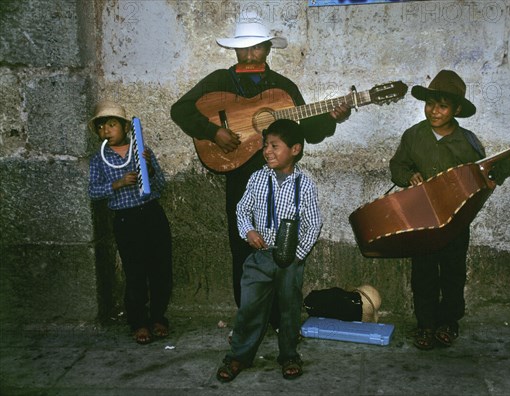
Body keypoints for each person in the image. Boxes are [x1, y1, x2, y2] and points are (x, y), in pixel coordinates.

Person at [170, 12, 350, 332]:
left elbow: (308, 129)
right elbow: (180, 110)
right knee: (243, 245)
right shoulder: (219, 82)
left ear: (268, 49)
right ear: (235, 51)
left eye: (258, 48)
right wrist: (214, 133)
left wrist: (332, 117)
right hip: (241, 178)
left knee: (282, 245)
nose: (252, 54)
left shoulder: (282, 88)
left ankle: (280, 318)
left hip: (280, 180)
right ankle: (250, 317)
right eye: (245, 48)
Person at [389, 70, 510, 350]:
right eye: (430, 104)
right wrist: (409, 175)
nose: (434, 111)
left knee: (453, 272)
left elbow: (488, 177)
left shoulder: (468, 142)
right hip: (422, 218)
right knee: (423, 273)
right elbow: (397, 166)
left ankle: (448, 322)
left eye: (442, 106)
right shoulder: (413, 136)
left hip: (456, 220)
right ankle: (425, 324)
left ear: (457, 110)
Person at [216, 119, 322, 382]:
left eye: (275, 146)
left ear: (295, 149)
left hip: (290, 258)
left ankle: (288, 355)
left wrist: (298, 255)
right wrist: (248, 231)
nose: (267, 151)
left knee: (289, 309)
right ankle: (239, 356)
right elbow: (241, 209)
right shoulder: (257, 178)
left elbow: (313, 223)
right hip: (260, 256)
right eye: (265, 145)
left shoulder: (305, 185)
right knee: (249, 307)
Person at [88, 100, 173, 344]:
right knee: (135, 272)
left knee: (160, 269)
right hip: (126, 220)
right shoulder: (99, 160)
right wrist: (117, 184)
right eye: (101, 127)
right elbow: (93, 192)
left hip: (151, 214)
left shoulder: (142, 151)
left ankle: (158, 317)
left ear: (125, 128)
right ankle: (138, 322)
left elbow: (160, 186)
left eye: (112, 125)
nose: (106, 131)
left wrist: (150, 170)